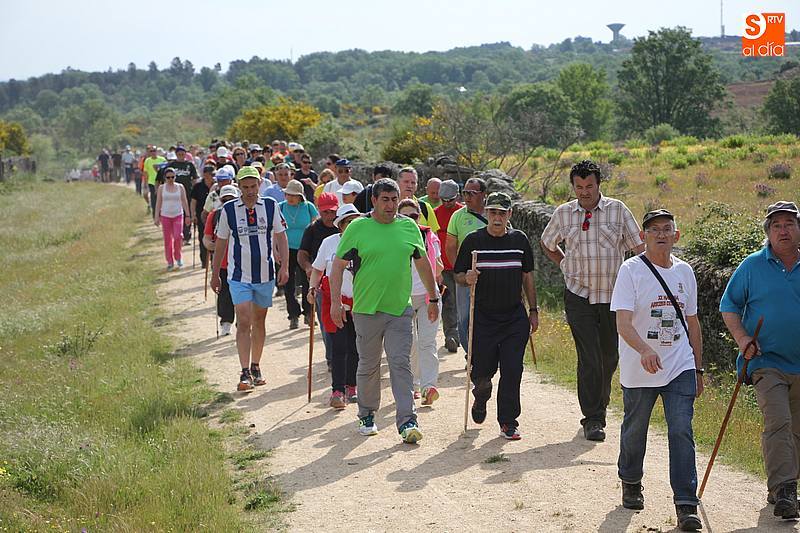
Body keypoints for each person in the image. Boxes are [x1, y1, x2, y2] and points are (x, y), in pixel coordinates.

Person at [611, 209, 703, 531]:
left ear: (676, 235)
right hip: (640, 367)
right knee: (636, 428)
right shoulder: (630, 271)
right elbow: (623, 323)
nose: (660, 234)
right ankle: (631, 480)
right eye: (653, 230)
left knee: (681, 429)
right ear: (643, 236)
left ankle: (686, 504)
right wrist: (645, 350)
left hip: (679, 364)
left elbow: (692, 322)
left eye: (666, 229)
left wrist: (698, 368)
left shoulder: (685, 272)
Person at [540, 159, 645, 442]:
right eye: (579, 187)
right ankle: (593, 418)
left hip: (613, 297)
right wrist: (564, 264)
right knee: (589, 358)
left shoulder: (617, 210)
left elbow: (639, 247)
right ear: (573, 187)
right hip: (578, 295)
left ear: (599, 185)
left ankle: (601, 401)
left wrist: (637, 281)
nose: (584, 192)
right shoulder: (563, 214)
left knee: (609, 357)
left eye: (589, 186)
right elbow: (547, 243)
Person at [329, 178, 440, 444]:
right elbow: (338, 266)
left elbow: (423, 263)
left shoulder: (408, 227)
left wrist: (433, 297)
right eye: (385, 200)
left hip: (399, 309)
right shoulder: (358, 228)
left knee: (400, 363)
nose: (390, 205)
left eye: (394, 200)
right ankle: (367, 415)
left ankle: (408, 421)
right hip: (366, 309)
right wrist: (335, 302)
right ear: (374, 201)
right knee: (369, 365)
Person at [720, 201, 800, 520]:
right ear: (768, 232)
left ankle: (783, 486)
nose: (783, 230)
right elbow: (729, 306)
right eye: (776, 225)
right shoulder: (752, 266)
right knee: (778, 421)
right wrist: (743, 340)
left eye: (789, 223)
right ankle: (785, 490)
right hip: (766, 362)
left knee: (796, 430)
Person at [454, 192, 539, 440]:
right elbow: (458, 275)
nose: (497, 217)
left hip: (514, 316)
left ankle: (508, 421)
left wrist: (533, 310)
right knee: (482, 373)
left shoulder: (519, 240)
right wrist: (467, 277)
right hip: (483, 317)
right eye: (493, 212)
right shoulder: (473, 241)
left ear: (509, 214)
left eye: (502, 213)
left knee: (512, 369)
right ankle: (481, 395)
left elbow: (527, 276)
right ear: (486, 213)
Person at [210, 166, 289, 391]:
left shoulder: (271, 205)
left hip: (265, 273)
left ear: (259, 184)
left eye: (253, 186)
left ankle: (256, 365)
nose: (250, 191)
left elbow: (281, 237)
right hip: (238, 275)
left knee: (259, 320)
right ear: (239, 187)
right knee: (243, 320)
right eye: (245, 187)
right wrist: (215, 274)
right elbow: (221, 242)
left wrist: (284, 267)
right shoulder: (228, 210)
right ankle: (244, 371)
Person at [309, 203, 362, 409]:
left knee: (355, 346)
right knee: (339, 347)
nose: (352, 225)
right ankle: (337, 391)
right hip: (335, 300)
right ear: (340, 225)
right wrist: (312, 288)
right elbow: (317, 269)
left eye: (355, 221)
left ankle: (352, 386)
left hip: (360, 301)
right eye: (348, 222)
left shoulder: (365, 241)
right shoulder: (329, 243)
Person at [398, 198, 443, 405]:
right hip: (402, 298)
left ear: (420, 217)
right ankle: (414, 384)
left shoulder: (429, 237)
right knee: (411, 343)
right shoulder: (392, 239)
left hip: (428, 297)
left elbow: (439, 267)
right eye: (404, 216)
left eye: (414, 216)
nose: (410, 219)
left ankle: (428, 386)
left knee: (427, 342)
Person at [298, 193, 341, 372]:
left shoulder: (344, 228)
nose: (329, 216)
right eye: (325, 212)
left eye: (332, 212)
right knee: (326, 323)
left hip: (346, 283)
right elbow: (302, 253)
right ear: (319, 211)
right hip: (322, 282)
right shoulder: (312, 229)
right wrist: (309, 267)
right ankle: (332, 358)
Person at [446, 177, 487, 352]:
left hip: (491, 276)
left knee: (487, 315)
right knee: (464, 317)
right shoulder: (457, 216)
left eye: (472, 193)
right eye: (465, 193)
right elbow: (450, 247)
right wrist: (460, 271)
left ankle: (485, 353)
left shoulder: (494, 214)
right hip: (465, 276)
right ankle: (469, 352)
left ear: (483, 195)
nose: (467, 197)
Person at [279, 180, 319, 329]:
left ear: (300, 196)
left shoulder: (308, 207)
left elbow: (316, 226)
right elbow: (274, 230)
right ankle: (293, 315)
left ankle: (308, 313)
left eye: (294, 195)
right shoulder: (280, 207)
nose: (290, 197)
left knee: (308, 281)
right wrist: (275, 250)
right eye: (288, 194)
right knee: (288, 284)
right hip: (286, 249)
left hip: (305, 250)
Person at [203, 185, 240, 336]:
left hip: (242, 261)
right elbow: (206, 238)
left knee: (242, 293)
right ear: (221, 200)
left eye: (232, 199)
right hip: (222, 262)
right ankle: (226, 321)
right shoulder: (214, 215)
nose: (228, 202)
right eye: (225, 200)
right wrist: (211, 245)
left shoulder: (245, 214)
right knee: (224, 293)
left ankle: (242, 321)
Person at [434, 179, 463, 353]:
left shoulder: (463, 214)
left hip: (461, 265)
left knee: (463, 302)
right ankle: (451, 336)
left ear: (457, 196)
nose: (446, 203)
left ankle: (464, 336)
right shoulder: (435, 214)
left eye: (450, 200)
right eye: (443, 200)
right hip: (443, 267)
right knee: (449, 301)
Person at [154, 167, 191, 270]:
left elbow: (184, 201)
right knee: (167, 239)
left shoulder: (180, 187)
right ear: (164, 178)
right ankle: (170, 261)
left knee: (178, 236)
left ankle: (178, 257)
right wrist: (156, 216)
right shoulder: (161, 188)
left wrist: (188, 215)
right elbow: (158, 203)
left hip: (178, 215)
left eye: (172, 177)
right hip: (165, 216)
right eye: (168, 177)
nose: (170, 179)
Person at [167, 145, 199, 244]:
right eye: (179, 154)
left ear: (185, 154)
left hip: (188, 192)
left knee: (187, 213)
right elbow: (166, 178)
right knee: (176, 213)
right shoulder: (172, 165)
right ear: (176, 154)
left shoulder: (190, 165)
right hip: (174, 193)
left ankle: (187, 235)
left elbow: (194, 179)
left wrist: (195, 190)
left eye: (182, 154)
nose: (181, 156)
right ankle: (177, 234)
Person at [396, 167, 439, 233]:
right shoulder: (390, 207)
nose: (410, 186)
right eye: (406, 182)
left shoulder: (425, 207)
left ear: (416, 186)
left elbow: (433, 236)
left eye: (413, 183)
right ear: (397, 183)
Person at [191, 164, 215, 269]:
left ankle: (213, 260)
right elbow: (193, 202)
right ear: (204, 175)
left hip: (214, 217)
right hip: (202, 217)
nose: (212, 176)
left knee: (214, 238)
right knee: (203, 238)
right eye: (210, 174)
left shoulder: (216, 186)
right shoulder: (198, 187)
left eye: (213, 174)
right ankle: (204, 261)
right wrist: (193, 215)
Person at [144, 146, 167, 217]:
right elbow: (145, 172)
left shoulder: (162, 159)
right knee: (154, 199)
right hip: (152, 182)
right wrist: (145, 183)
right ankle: (155, 214)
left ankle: (162, 213)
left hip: (161, 182)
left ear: (156, 151)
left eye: (154, 151)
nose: (153, 152)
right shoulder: (147, 160)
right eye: (151, 151)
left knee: (162, 198)